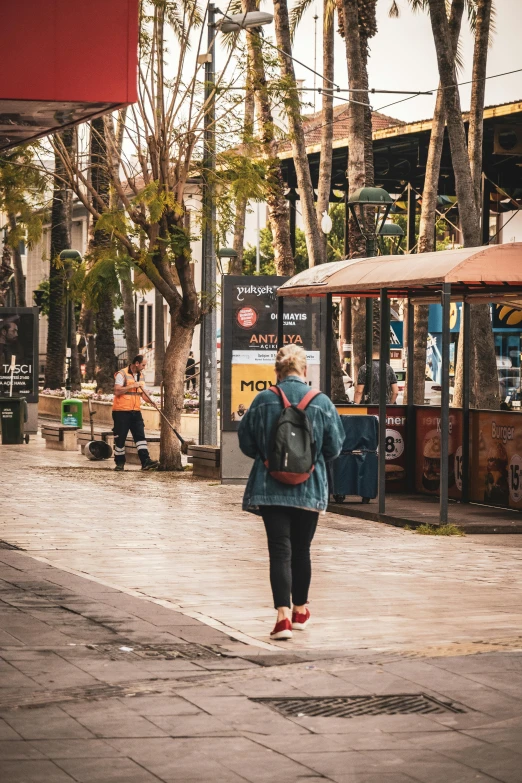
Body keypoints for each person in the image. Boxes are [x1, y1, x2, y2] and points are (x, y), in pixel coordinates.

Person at [238, 345, 345, 641]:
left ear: (277, 371)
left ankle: (282, 617)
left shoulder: (262, 400)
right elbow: (335, 448)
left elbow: (246, 444)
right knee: (302, 550)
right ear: (304, 371)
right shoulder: (322, 402)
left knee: (279, 551)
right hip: (310, 487)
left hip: (269, 487)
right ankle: (300, 610)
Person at [112, 355, 159, 472]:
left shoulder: (141, 376)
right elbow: (117, 391)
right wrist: (132, 385)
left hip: (136, 411)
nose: (144, 367)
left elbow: (143, 394)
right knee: (120, 438)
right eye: (143, 365)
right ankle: (119, 463)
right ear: (137, 363)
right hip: (121, 412)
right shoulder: (121, 374)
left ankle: (146, 462)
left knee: (140, 437)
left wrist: (151, 401)